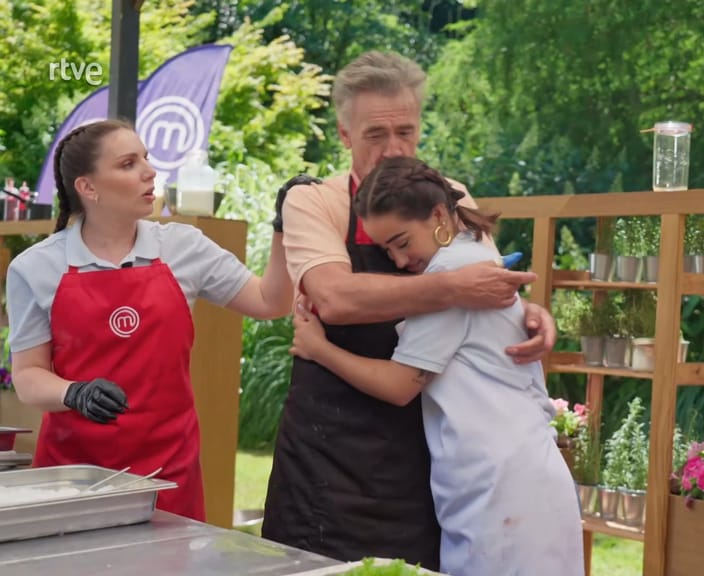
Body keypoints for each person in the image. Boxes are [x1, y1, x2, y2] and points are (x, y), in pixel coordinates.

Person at [261, 51, 556, 569]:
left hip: (422, 450)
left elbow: (486, 292)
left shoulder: (450, 196)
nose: (393, 149)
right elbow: (335, 298)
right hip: (327, 449)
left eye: (406, 132)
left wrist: (529, 311)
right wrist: (456, 287)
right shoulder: (314, 201)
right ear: (345, 134)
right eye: (375, 135)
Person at [289, 156, 583, 576]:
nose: (397, 260)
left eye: (402, 242)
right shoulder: (467, 260)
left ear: (439, 215)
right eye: (387, 249)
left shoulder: (451, 275)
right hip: (508, 477)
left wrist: (319, 349)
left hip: (503, 485)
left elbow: (399, 385)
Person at [5, 119, 293, 521]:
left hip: (168, 475)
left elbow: (270, 301)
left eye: (146, 158)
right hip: (70, 479)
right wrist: (75, 393)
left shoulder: (183, 247)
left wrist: (284, 227)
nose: (149, 171)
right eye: (128, 163)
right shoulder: (34, 268)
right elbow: (28, 376)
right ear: (88, 188)